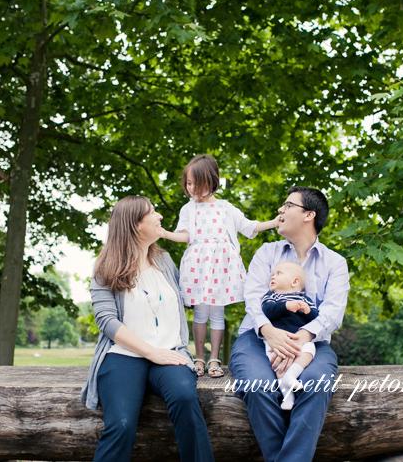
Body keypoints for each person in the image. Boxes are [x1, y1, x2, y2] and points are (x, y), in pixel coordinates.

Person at [80, 196, 214, 462]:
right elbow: (107, 322)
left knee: (186, 400)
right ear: (135, 224)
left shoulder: (164, 261)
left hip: (170, 353)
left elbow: (188, 298)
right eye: (152, 212)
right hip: (123, 355)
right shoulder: (104, 267)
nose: (160, 216)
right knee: (121, 425)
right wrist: (151, 352)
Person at [229, 186, 350, 462]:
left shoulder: (335, 263)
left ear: (309, 215)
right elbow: (252, 298)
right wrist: (269, 332)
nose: (280, 211)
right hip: (257, 337)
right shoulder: (266, 253)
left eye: (287, 205)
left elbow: (333, 313)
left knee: (316, 383)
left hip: (311, 343)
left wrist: (303, 337)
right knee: (258, 385)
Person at [160, 154, 279, 378]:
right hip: (198, 267)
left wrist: (274, 222)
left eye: (196, 182)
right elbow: (184, 235)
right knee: (200, 313)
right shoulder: (189, 209)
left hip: (222, 268)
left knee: (217, 313)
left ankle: (214, 358)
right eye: (188, 183)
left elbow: (248, 226)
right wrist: (163, 233)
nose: (191, 187)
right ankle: (198, 357)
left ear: (211, 180)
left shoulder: (226, 208)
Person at [261, 262, 319, 410]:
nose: (273, 276)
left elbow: (316, 319)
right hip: (277, 339)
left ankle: (291, 375)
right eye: (273, 274)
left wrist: (308, 311)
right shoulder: (272, 297)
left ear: (295, 282)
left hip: (299, 338)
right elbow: (267, 311)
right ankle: (288, 398)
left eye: (279, 273)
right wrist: (285, 306)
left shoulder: (305, 300)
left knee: (310, 349)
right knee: (278, 363)